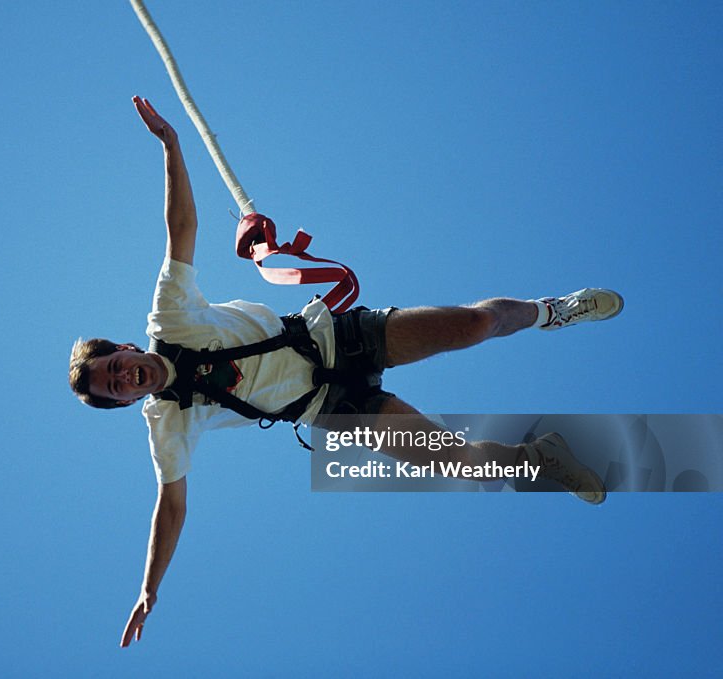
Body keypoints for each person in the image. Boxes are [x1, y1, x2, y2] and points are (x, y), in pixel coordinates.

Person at [68, 96, 624, 647]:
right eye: (114, 388)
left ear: (123, 348)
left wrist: (171, 145)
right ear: (123, 404)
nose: (122, 378)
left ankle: (553, 310)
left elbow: (181, 227)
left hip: (339, 339)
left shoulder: (169, 315)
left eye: (115, 366)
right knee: (457, 463)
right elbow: (171, 508)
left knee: (477, 325)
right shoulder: (166, 424)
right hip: (333, 409)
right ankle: (543, 458)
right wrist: (150, 588)